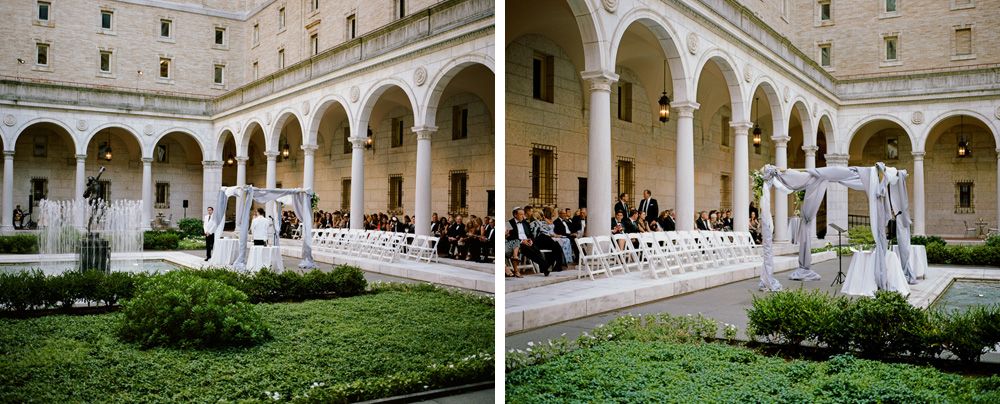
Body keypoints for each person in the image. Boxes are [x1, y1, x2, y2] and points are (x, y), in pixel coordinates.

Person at [506, 207, 549, 277]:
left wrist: (531, 240)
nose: (523, 216)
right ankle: (545, 266)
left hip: (528, 242)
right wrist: (522, 241)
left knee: (536, 250)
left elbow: (530, 234)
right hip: (517, 244)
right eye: (521, 215)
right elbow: (509, 237)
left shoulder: (525, 223)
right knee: (528, 250)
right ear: (515, 215)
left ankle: (544, 267)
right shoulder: (508, 223)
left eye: (523, 214)